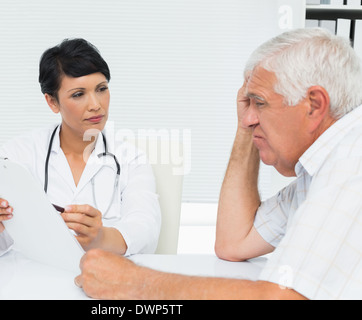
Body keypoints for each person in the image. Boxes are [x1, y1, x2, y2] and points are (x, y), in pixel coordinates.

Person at [75, 28, 362, 299]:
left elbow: (285, 297)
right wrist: (247, 126)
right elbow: (233, 243)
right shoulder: (317, 173)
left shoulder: (350, 163)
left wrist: (134, 283)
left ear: (313, 105)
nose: (248, 118)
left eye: (259, 103)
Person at [0, 38, 161, 258]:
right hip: (34, 281)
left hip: (105, 282)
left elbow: (145, 229)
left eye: (101, 89)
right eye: (78, 94)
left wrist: (100, 239)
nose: (96, 104)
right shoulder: (18, 154)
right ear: (52, 102)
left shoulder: (131, 158)